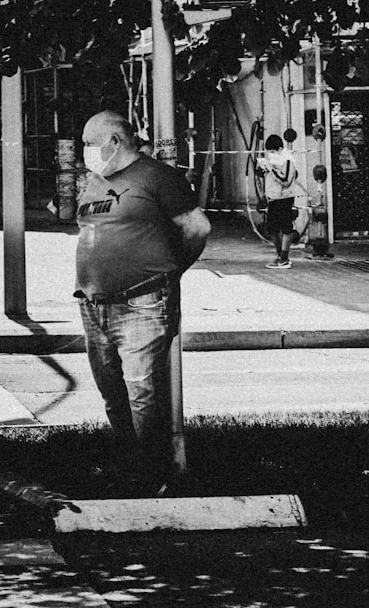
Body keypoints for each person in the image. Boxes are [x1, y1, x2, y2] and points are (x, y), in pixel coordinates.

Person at [75, 110, 211, 491]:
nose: (86, 152)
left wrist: (169, 271)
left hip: (142, 304)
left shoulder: (157, 178)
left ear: (115, 142)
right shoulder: (97, 181)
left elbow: (196, 228)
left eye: (91, 144)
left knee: (143, 396)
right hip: (94, 305)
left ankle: (154, 476)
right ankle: (129, 467)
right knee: (113, 395)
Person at [259, 134, 301, 268]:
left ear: (279, 149)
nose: (270, 155)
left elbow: (286, 181)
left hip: (284, 198)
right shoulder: (275, 162)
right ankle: (280, 256)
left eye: (272, 151)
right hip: (273, 198)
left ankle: (284, 258)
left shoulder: (288, 160)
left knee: (286, 228)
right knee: (271, 229)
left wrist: (272, 169)